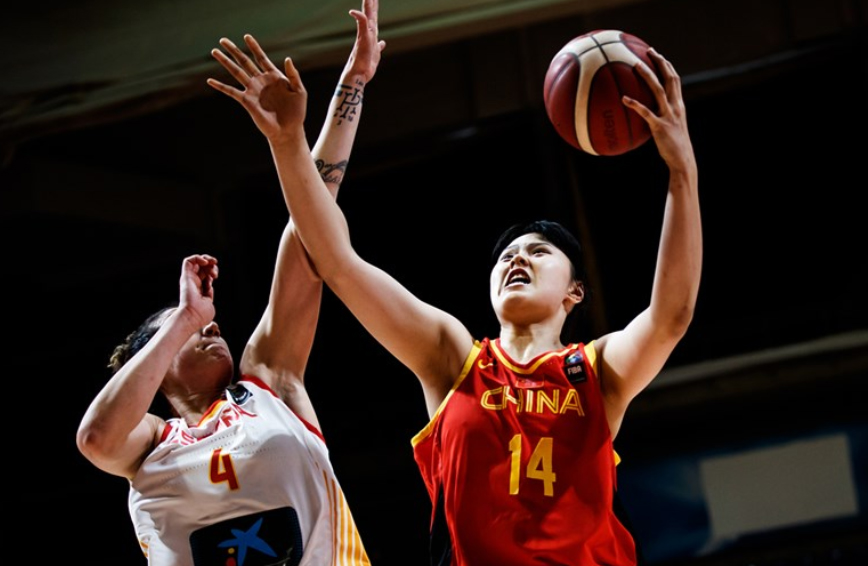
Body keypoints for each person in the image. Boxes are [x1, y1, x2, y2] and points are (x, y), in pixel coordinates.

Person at [211, 8, 702, 564]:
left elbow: (671, 316)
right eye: (507, 256)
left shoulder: (596, 372)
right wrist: (292, 139)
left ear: (575, 292)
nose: (517, 259)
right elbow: (335, 260)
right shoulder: (453, 358)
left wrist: (681, 170)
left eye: (539, 252)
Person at [74, 3, 385, 565]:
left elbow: (307, 236)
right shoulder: (146, 445)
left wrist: (340, 97)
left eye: (207, 323)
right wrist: (183, 319)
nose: (211, 325)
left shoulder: (269, 383)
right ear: (154, 362)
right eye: (187, 329)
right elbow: (95, 439)